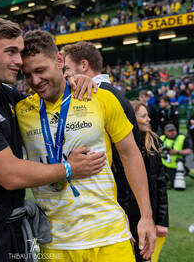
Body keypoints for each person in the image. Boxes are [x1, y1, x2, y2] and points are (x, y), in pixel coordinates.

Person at [0, 18, 105, 262]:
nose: (19, 61)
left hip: (10, 226)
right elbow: (11, 176)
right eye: (10, 52)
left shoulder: (5, 95)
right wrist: (69, 168)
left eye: (19, 52)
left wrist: (74, 77)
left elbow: (48, 98)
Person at [15, 31, 155, 262]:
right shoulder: (20, 111)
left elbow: (131, 155)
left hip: (108, 236)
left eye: (40, 70)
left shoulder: (99, 97)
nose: (35, 81)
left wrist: (146, 216)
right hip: (55, 243)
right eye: (27, 74)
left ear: (59, 60)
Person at [58, 41, 157, 261]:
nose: (64, 75)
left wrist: (128, 209)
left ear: (83, 65)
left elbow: (128, 158)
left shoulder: (102, 96)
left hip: (117, 205)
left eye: (67, 68)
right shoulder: (112, 93)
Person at [130, 100, 169, 262]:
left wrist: (162, 221)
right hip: (124, 216)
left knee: (144, 257)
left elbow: (160, 184)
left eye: (147, 115)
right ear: (132, 119)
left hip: (145, 216)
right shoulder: (119, 148)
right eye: (143, 116)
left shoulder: (152, 144)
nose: (149, 119)